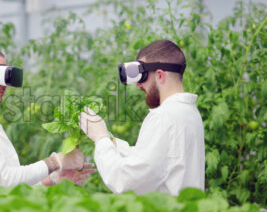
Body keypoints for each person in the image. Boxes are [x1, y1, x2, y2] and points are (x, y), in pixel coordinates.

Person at [0, 45, 95, 197]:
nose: (5, 85)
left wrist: (53, 179)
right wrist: (56, 161)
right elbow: (3, 181)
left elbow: (9, 187)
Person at [79, 39, 205, 195]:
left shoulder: (164, 117)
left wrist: (101, 139)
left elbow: (125, 181)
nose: (138, 86)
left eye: (142, 77)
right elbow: (155, 162)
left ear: (160, 75)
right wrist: (112, 142)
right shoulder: (188, 112)